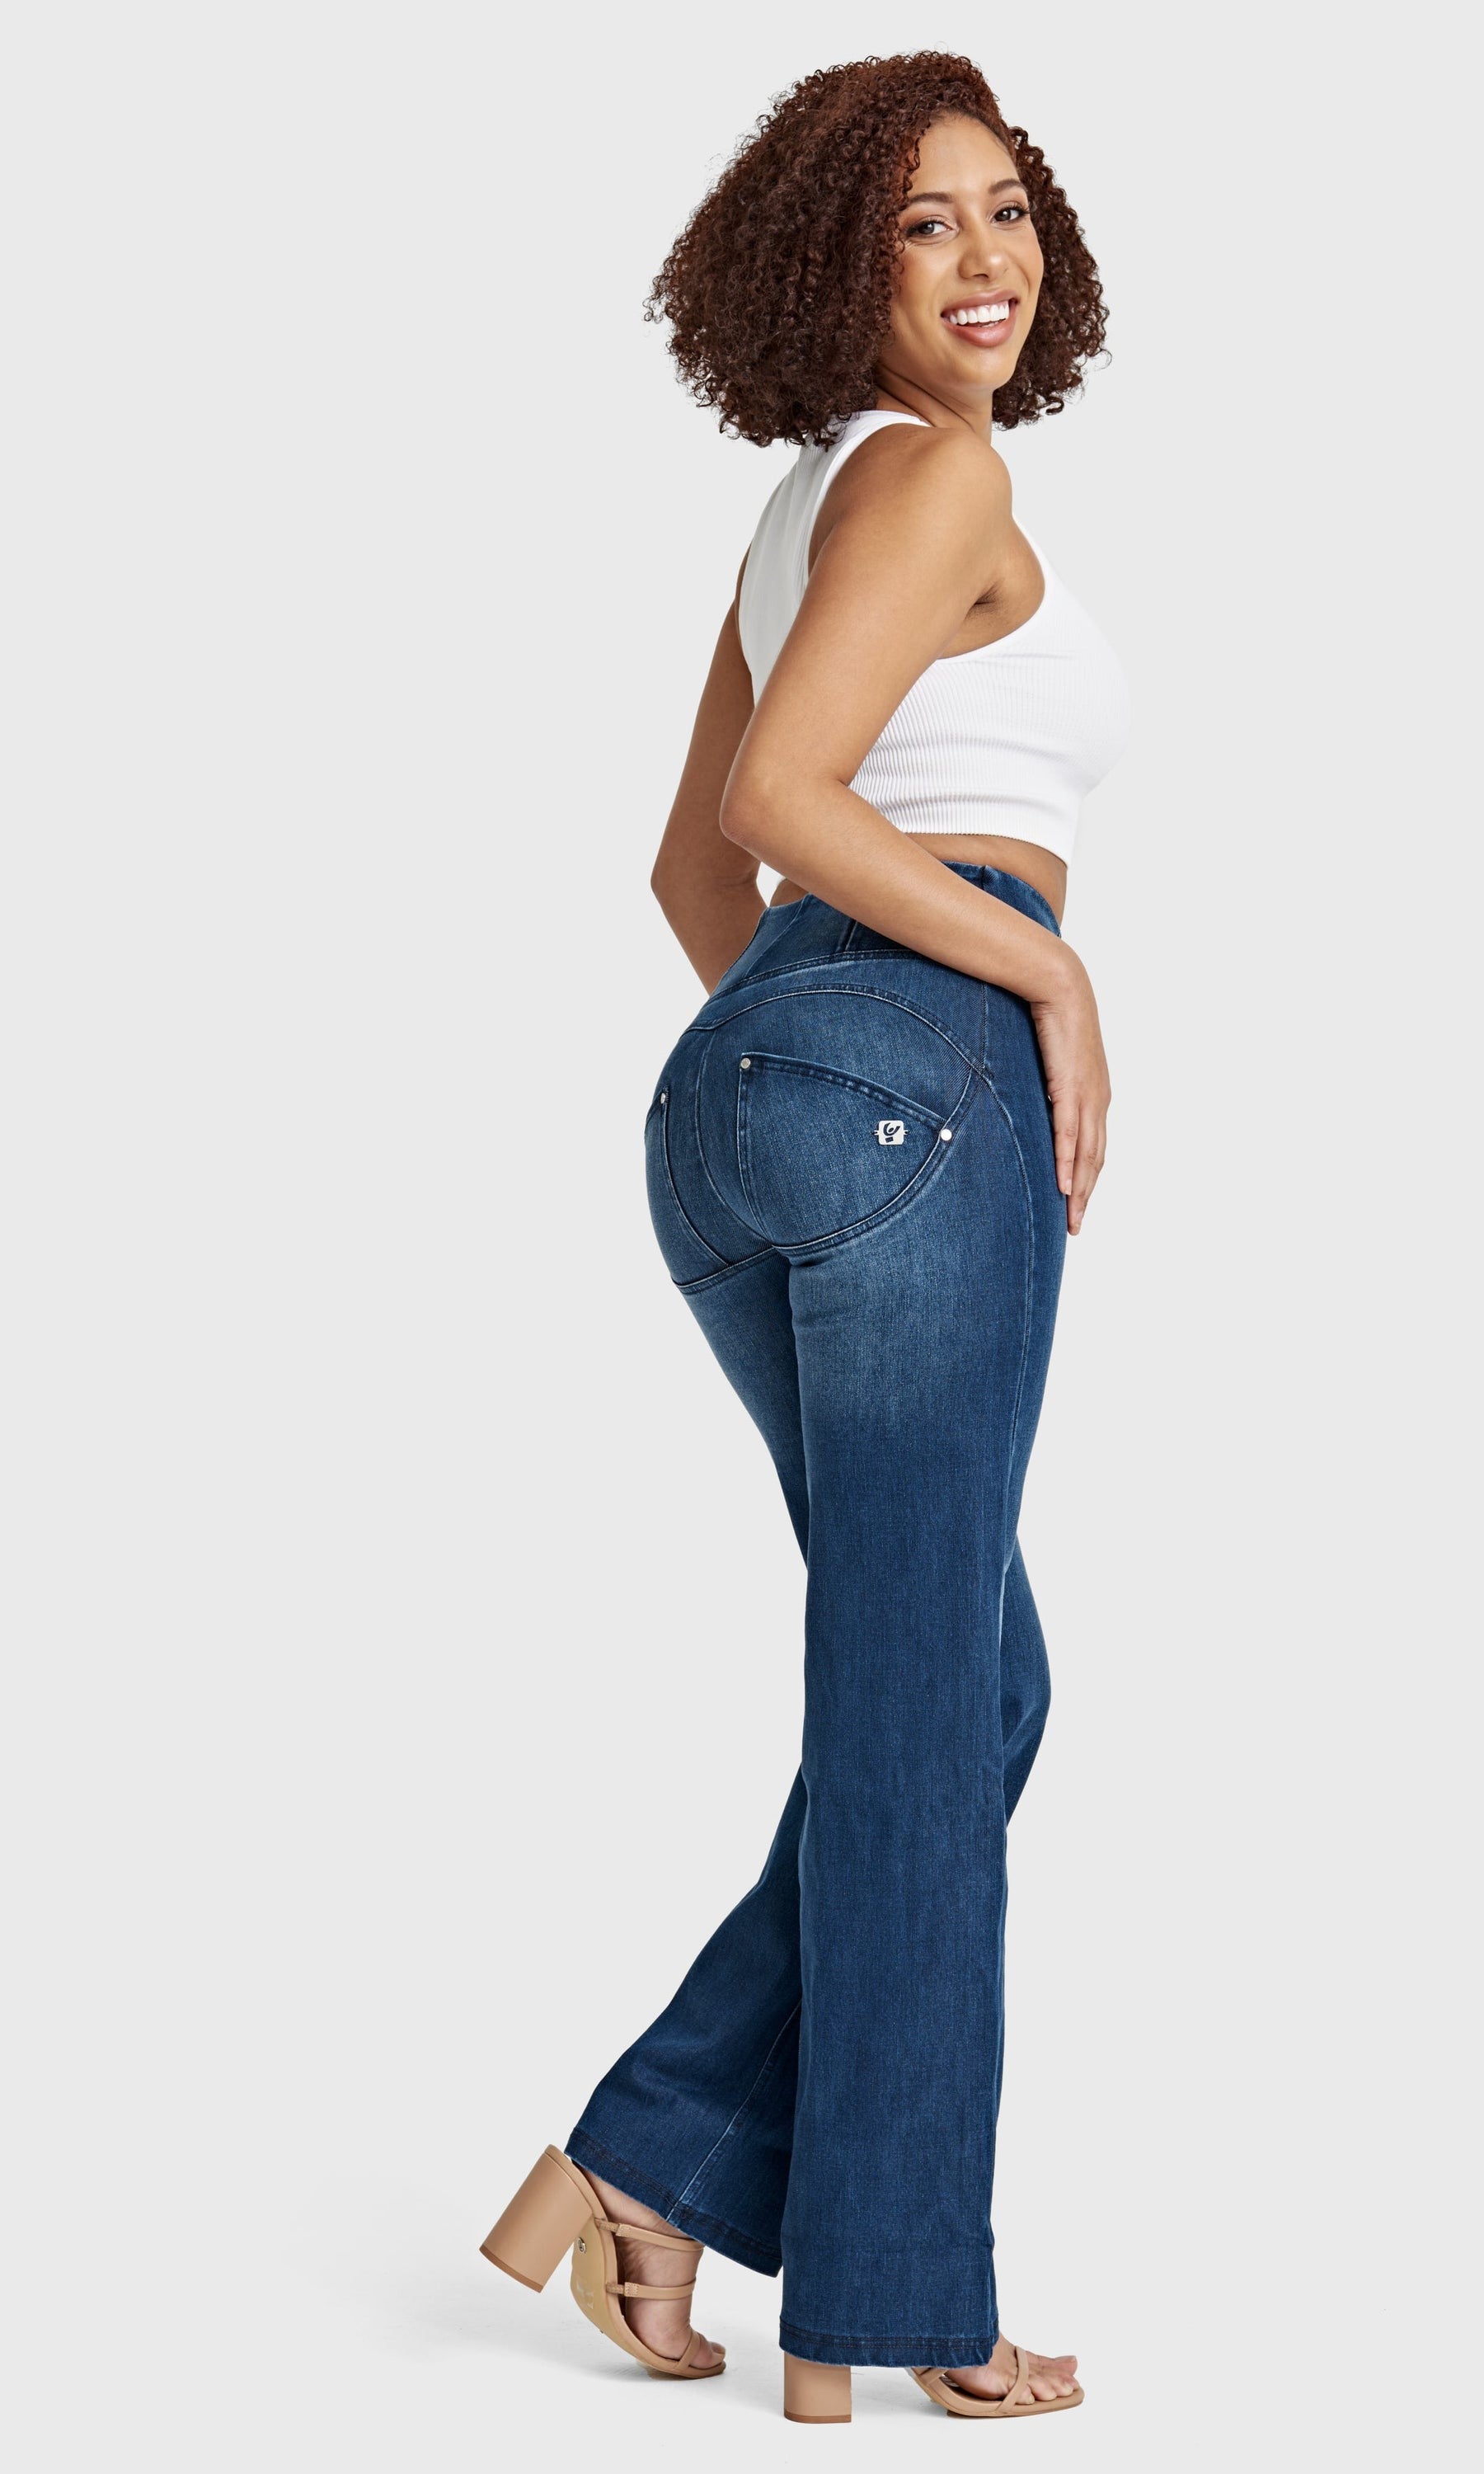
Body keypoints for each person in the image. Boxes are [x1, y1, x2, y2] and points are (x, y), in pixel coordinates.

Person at [481, 52, 1128, 2425]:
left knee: (968, 1685)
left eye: (1007, 212)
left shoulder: (800, 510)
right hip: (921, 1073)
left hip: (742, 1095)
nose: (984, 261)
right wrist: (1038, 977)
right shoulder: (938, 477)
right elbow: (778, 796)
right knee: (923, 1699)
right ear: (836, 263)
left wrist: (801, 1053)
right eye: (924, 223)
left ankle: (645, 2162)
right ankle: (893, 2297)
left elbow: (697, 873)